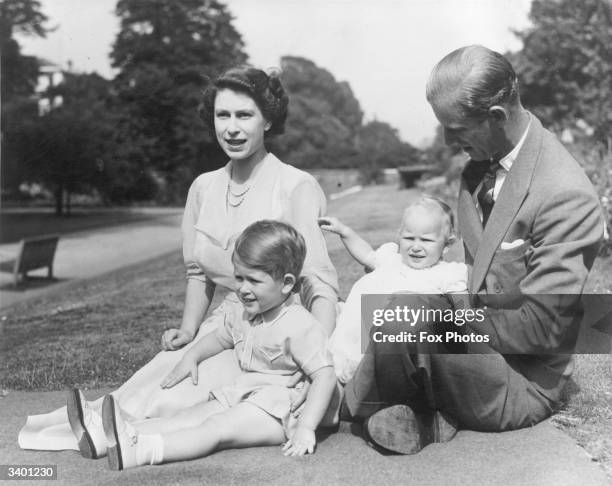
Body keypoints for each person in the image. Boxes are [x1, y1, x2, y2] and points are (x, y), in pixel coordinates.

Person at [19, 66, 339, 457]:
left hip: (276, 334)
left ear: (268, 119)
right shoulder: (203, 187)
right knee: (162, 373)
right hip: (225, 323)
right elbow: (197, 273)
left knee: (177, 394)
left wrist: (313, 361)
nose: (232, 129)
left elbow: (318, 282)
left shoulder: (295, 185)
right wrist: (189, 331)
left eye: (245, 115)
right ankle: (98, 425)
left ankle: (123, 437)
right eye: (223, 116)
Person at [342, 45, 605, 455]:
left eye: (455, 127)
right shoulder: (482, 165)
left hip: (520, 378)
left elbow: (543, 329)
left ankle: (367, 404)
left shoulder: (565, 195)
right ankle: (414, 409)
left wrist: (447, 313)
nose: (447, 140)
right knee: (397, 311)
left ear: (496, 117)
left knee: (404, 313)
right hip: (476, 345)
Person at [86, 221, 337, 470]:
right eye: (238, 278)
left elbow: (324, 376)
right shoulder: (244, 313)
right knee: (189, 417)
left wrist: (306, 428)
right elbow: (220, 338)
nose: (243, 289)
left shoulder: (299, 325)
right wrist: (192, 356)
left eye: (253, 281)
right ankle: (108, 439)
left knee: (216, 428)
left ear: (286, 283)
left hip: (282, 410)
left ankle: (142, 451)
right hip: (245, 392)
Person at [318, 195, 467, 383]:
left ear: (446, 245)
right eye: (409, 238)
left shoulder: (446, 274)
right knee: (333, 368)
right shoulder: (392, 258)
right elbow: (367, 255)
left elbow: (463, 312)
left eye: (426, 240)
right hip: (351, 339)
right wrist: (344, 231)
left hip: (390, 354)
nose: (416, 246)